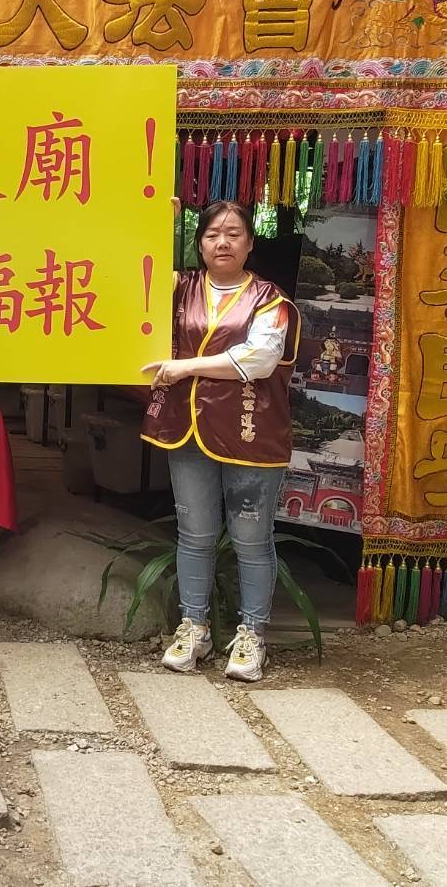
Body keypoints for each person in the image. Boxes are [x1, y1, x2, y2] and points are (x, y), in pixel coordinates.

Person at [141, 199, 301, 683]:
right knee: (194, 535)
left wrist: (184, 367)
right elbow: (130, 278)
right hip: (188, 428)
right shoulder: (179, 286)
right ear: (199, 243)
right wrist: (159, 225)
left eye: (233, 234)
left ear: (250, 243)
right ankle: (194, 627)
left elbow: (259, 359)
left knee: (252, 539)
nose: (222, 242)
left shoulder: (271, 300)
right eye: (212, 234)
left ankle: (252, 634)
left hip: (251, 433)